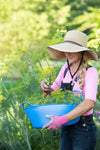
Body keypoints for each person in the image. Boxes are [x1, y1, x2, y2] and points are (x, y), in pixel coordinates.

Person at [41, 30, 98, 150]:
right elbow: (53, 90)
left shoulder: (90, 72)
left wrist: (61, 120)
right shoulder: (65, 68)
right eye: (66, 49)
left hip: (84, 129)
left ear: (82, 52)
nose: (68, 53)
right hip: (66, 126)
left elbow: (89, 102)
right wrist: (46, 88)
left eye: (72, 50)